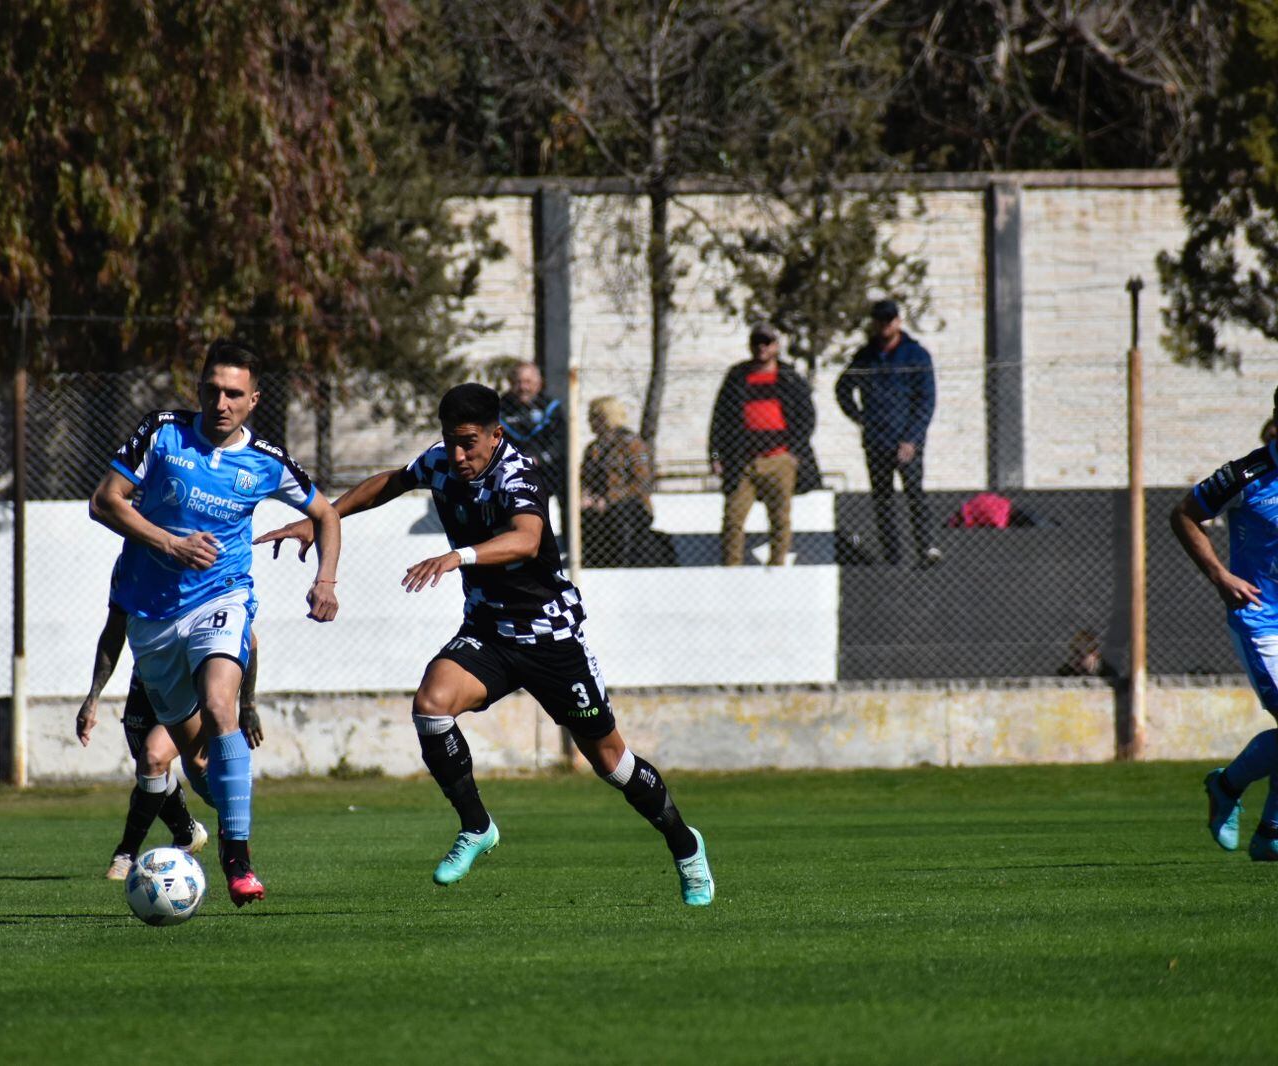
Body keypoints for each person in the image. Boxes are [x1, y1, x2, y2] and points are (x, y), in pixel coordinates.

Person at [257, 382, 714, 906]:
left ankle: (684, 845)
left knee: (612, 763)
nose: (458, 455)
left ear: (496, 435)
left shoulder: (518, 474)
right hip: (489, 631)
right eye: (450, 441)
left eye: (469, 442)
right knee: (431, 706)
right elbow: (391, 482)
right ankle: (477, 826)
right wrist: (325, 518)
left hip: (550, 637)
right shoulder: (442, 462)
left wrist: (458, 557)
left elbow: (527, 538)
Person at [89, 338, 340, 906]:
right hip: (152, 618)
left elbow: (325, 513)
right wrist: (170, 544)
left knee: (222, 705)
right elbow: (105, 501)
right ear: (198, 388)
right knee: (199, 767)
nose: (220, 402)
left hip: (221, 598)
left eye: (233, 393)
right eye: (211, 390)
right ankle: (216, 813)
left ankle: (239, 862)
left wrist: (325, 581)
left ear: (253, 399)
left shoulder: (268, 461)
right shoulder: (162, 432)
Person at [75, 579, 267, 880]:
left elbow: (248, 640)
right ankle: (187, 832)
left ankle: (128, 852)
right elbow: (114, 630)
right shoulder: (131, 565)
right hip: (147, 682)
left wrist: (248, 705)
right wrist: (93, 697)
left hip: (190, 691)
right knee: (152, 768)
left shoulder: (204, 563)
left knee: (163, 758)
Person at [1172, 388, 1278, 862]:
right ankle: (1228, 787)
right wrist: (1220, 575)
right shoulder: (1247, 474)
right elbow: (1184, 515)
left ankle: (1270, 833)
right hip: (1261, 618)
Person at [835, 299, 941, 568]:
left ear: (898, 321)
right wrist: (860, 418)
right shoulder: (866, 355)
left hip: (906, 441)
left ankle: (926, 548)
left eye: (890, 319)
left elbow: (926, 401)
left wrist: (912, 438)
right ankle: (892, 556)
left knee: (915, 494)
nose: (885, 325)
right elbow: (843, 388)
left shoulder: (915, 355)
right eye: (880, 320)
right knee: (883, 499)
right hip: (877, 441)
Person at [708, 323, 819, 566]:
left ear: (776, 347)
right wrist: (716, 456)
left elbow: (807, 417)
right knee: (733, 518)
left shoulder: (789, 377)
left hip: (779, 459)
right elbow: (719, 420)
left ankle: (777, 566)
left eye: (767, 343)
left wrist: (795, 452)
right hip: (742, 460)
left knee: (780, 519)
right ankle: (731, 568)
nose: (761, 347)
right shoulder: (737, 377)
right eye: (757, 343)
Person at [581, 396, 658, 568]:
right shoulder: (592, 448)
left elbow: (643, 483)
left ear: (605, 417)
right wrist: (585, 496)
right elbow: (584, 479)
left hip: (630, 505)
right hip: (598, 504)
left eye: (593, 416)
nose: (589, 421)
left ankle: (622, 565)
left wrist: (609, 499)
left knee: (618, 518)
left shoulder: (632, 444)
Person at [498, 362, 566, 506]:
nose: (523, 387)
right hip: (509, 477)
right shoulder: (500, 408)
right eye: (518, 382)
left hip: (547, 477)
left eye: (528, 382)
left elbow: (560, 443)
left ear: (539, 383)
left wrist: (538, 459)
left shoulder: (550, 407)